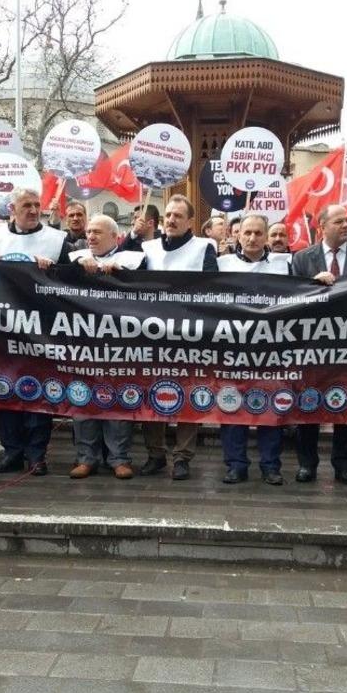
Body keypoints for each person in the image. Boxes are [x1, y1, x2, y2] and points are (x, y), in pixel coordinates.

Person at [0, 187, 70, 475]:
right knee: (5, 390)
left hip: (41, 331)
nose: (33, 210)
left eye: (37, 205)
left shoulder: (57, 241)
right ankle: (12, 452)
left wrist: (54, 270)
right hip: (3, 330)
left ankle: (36, 455)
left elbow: (71, 286)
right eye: (27, 205)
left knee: (38, 391)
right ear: (12, 209)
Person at [139, 194, 218, 480]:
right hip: (152, 334)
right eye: (168, 215)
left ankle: (183, 456)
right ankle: (155, 453)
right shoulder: (146, 248)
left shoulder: (204, 248)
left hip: (189, 336)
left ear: (190, 222)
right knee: (152, 392)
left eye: (177, 216)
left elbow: (213, 289)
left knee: (187, 393)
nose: (171, 220)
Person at [290, 204, 347, 485]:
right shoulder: (302, 259)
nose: (346, 225)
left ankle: (344, 465)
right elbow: (292, 297)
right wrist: (313, 284)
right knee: (308, 403)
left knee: (346, 404)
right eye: (339, 221)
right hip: (312, 344)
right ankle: (307, 463)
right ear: (322, 226)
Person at [66, 215, 145, 480]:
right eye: (89, 232)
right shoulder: (75, 256)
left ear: (115, 236)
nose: (90, 236)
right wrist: (79, 264)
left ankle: (119, 458)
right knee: (82, 397)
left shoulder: (132, 258)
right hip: (83, 344)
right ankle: (86, 458)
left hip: (119, 345)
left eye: (98, 232)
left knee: (118, 401)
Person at [217, 213, 290, 485]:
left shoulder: (285, 266)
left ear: (266, 236)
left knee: (271, 408)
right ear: (238, 234)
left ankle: (270, 465)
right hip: (231, 350)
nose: (252, 238)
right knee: (231, 406)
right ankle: (236, 464)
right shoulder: (221, 265)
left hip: (270, 351)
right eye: (247, 232)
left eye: (258, 233)